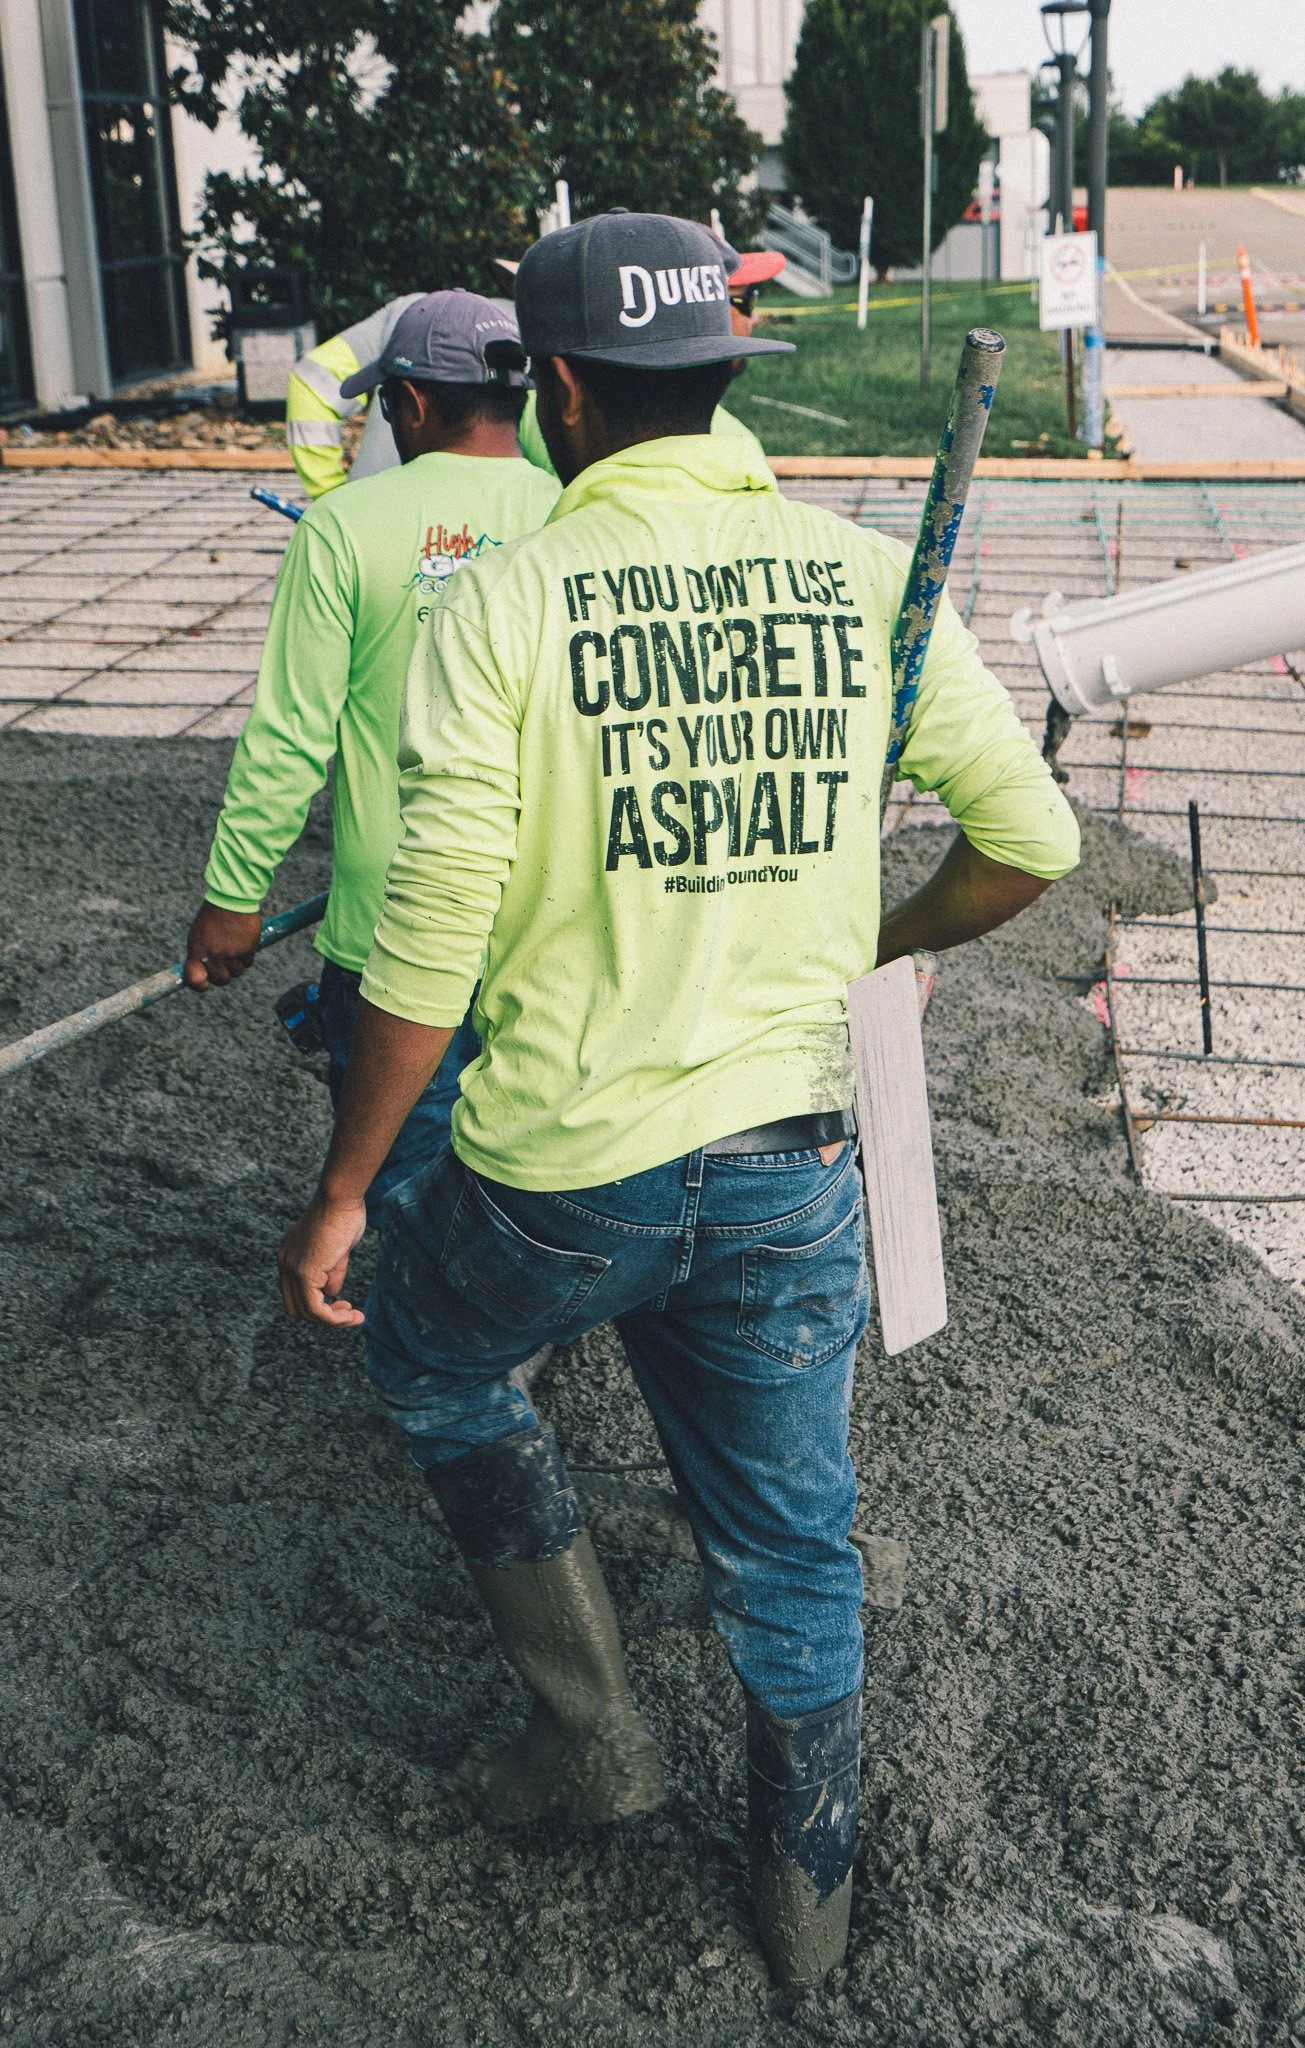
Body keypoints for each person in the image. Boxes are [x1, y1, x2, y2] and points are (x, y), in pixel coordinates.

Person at [276, 214, 1080, 1987]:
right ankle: (808, 1918)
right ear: (726, 375)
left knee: (427, 1347)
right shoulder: (871, 582)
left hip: (564, 1169)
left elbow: (423, 954)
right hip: (795, 1160)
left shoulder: (501, 606)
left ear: (556, 389)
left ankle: (595, 1735)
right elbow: (1034, 841)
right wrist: (874, 937)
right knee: (794, 1537)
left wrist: (345, 1188)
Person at [184, 292, 560, 1222]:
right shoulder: (574, 517)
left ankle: (438, 1348)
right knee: (534, 1160)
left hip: (391, 922)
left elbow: (288, 737)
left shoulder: (345, 528)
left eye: (383, 403)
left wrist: (233, 899)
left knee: (403, 1174)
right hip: (548, 919)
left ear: (413, 405)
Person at [285, 247, 783, 496]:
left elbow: (311, 379)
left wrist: (330, 501)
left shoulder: (417, 313)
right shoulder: (737, 447)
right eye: (743, 299)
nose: (751, 314)